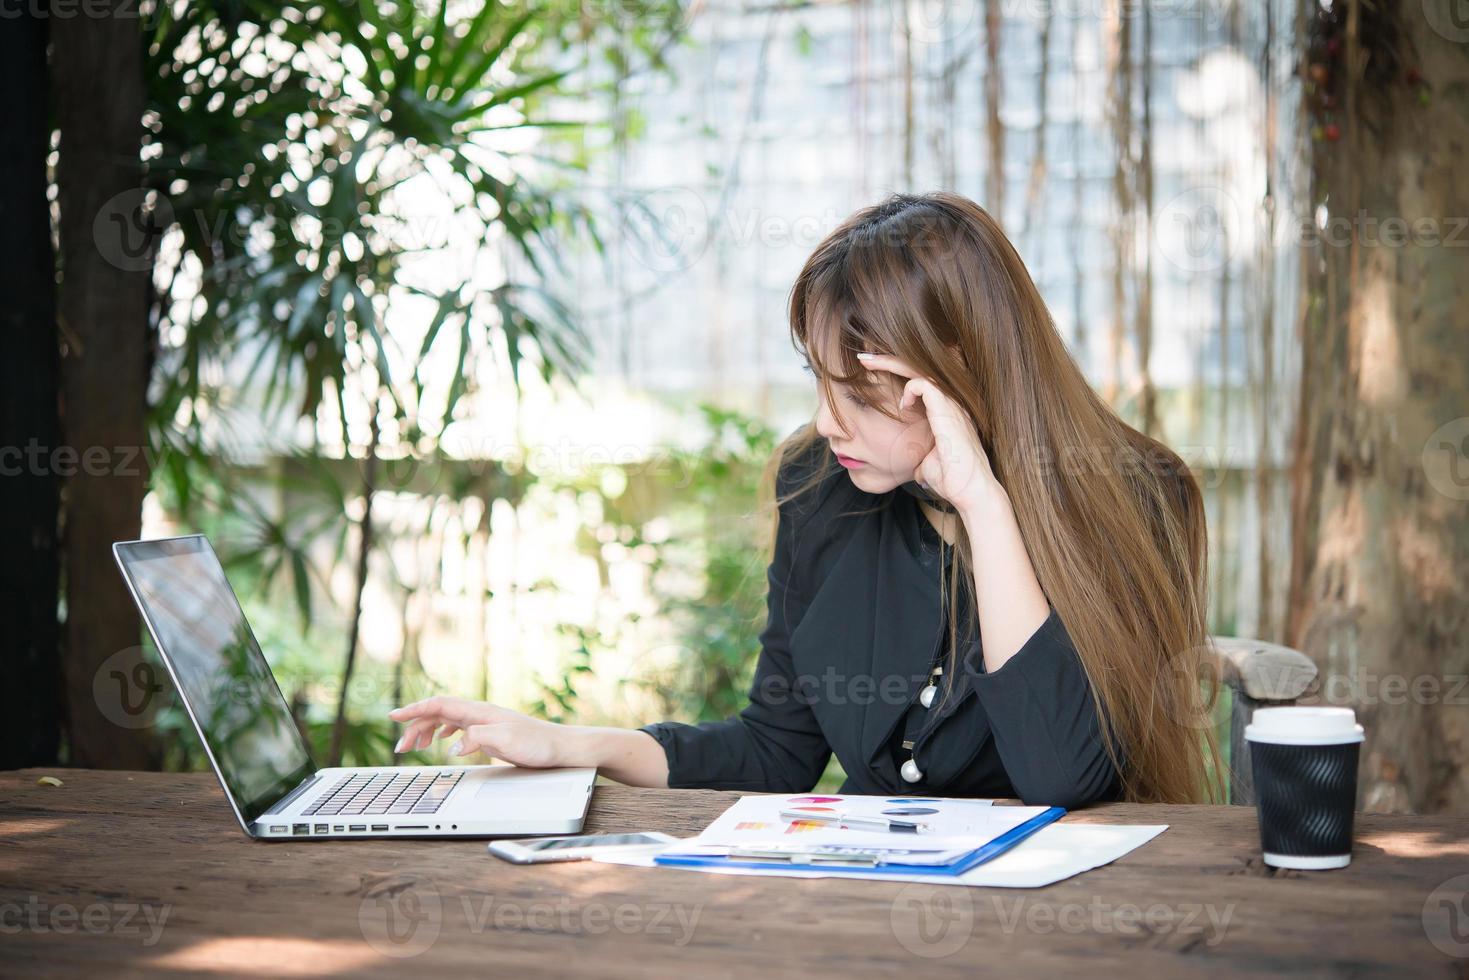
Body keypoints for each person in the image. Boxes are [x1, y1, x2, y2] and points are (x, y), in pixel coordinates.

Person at [389, 191, 1224, 807]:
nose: (827, 423)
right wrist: (573, 744)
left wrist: (982, 504)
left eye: (859, 394)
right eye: (818, 382)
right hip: (861, 913)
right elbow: (774, 752)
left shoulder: (1136, 498)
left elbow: (1060, 779)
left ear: (959, 374)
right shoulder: (824, 490)